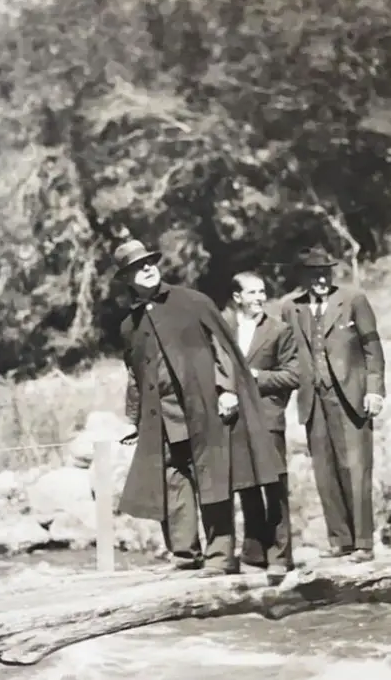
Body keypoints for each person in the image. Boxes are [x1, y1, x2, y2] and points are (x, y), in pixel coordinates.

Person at [115, 239, 285, 577]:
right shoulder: (129, 325)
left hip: (204, 408)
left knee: (213, 478)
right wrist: (135, 420)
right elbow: (134, 374)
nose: (147, 269)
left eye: (149, 262)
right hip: (162, 418)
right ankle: (185, 554)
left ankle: (221, 557)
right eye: (138, 267)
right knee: (173, 481)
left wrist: (227, 390)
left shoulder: (191, 302)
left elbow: (223, 348)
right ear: (127, 278)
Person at [281, 246, 386, 562]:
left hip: (351, 396)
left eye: (325, 272)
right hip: (314, 399)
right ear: (304, 277)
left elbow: (372, 347)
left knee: (355, 467)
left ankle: (364, 543)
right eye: (314, 274)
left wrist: (375, 390)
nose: (321, 279)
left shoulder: (353, 299)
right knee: (324, 470)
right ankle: (340, 540)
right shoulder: (292, 309)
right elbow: (287, 355)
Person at [223, 271, 299, 578]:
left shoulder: (279, 330)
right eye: (252, 293)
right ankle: (254, 554)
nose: (259, 298)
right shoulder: (223, 330)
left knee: (274, 486)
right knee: (247, 486)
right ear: (237, 297)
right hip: (235, 418)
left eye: (262, 291)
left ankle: (281, 555)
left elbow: (293, 375)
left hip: (268, 418)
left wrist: (256, 377)